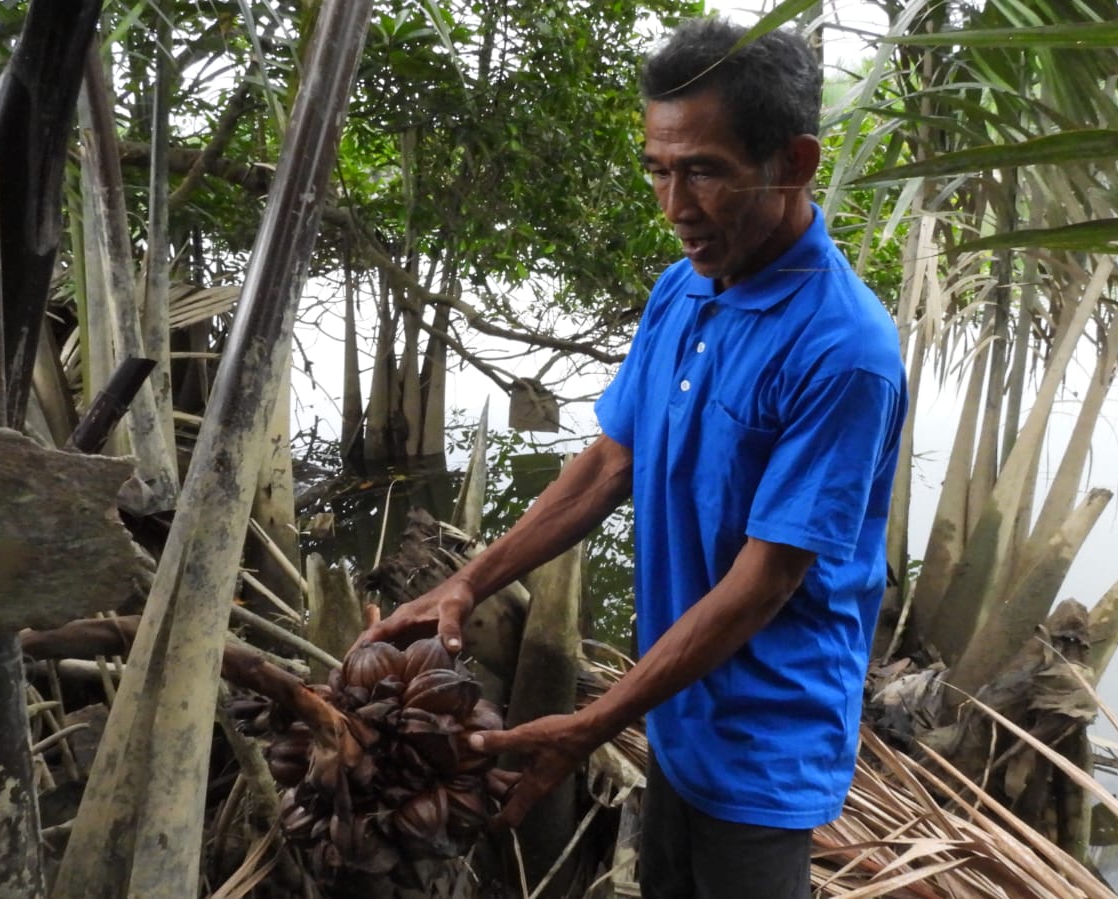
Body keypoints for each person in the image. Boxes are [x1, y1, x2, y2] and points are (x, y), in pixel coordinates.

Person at [360, 16, 907, 897]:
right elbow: (612, 463)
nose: (673, 206)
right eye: (658, 168)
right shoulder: (684, 285)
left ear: (794, 162)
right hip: (674, 711)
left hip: (766, 743)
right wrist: (470, 579)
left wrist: (588, 723)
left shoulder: (844, 351)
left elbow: (760, 583)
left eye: (703, 172)